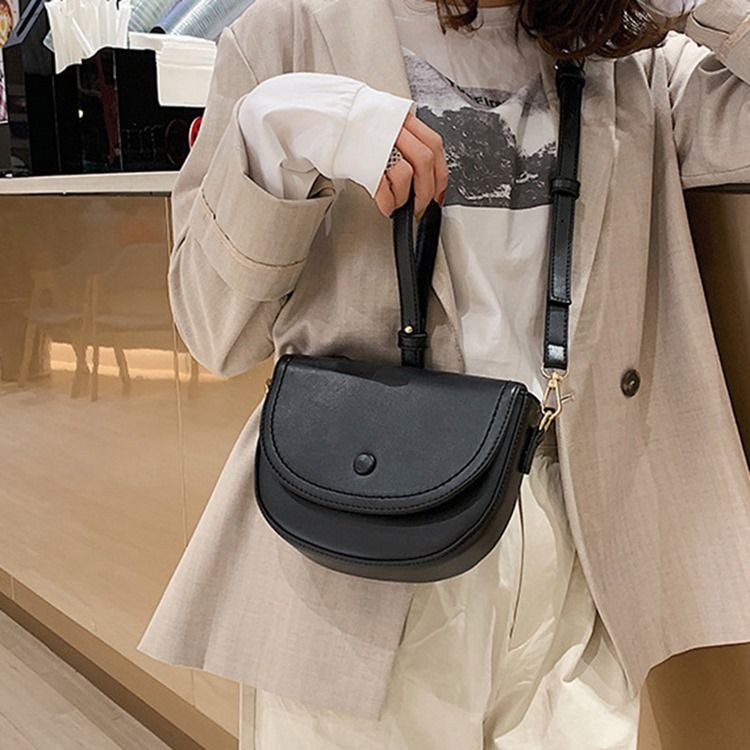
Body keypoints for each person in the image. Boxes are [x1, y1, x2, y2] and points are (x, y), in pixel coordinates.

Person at [137, 0, 750, 747]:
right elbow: (214, 331)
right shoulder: (293, 31)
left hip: (577, 535)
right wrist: (275, 137)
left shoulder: (628, 57)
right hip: (364, 536)